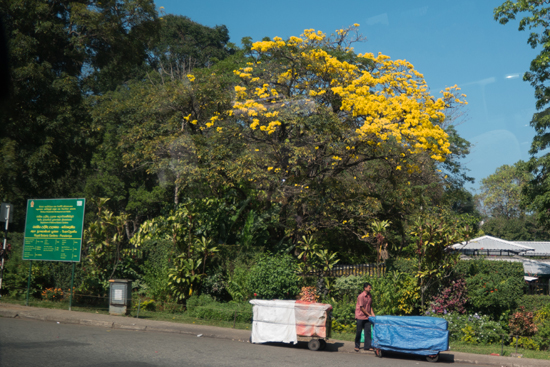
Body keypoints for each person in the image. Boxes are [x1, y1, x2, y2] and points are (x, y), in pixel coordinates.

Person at [354, 282, 375, 352]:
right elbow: (362, 308)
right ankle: (357, 345)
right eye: (369, 288)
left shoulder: (370, 296)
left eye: (370, 288)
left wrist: (372, 314)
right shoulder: (361, 296)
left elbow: (370, 306)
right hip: (360, 316)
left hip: (367, 316)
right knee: (359, 331)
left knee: (368, 331)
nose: (370, 289)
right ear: (365, 288)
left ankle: (367, 346)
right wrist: (369, 314)